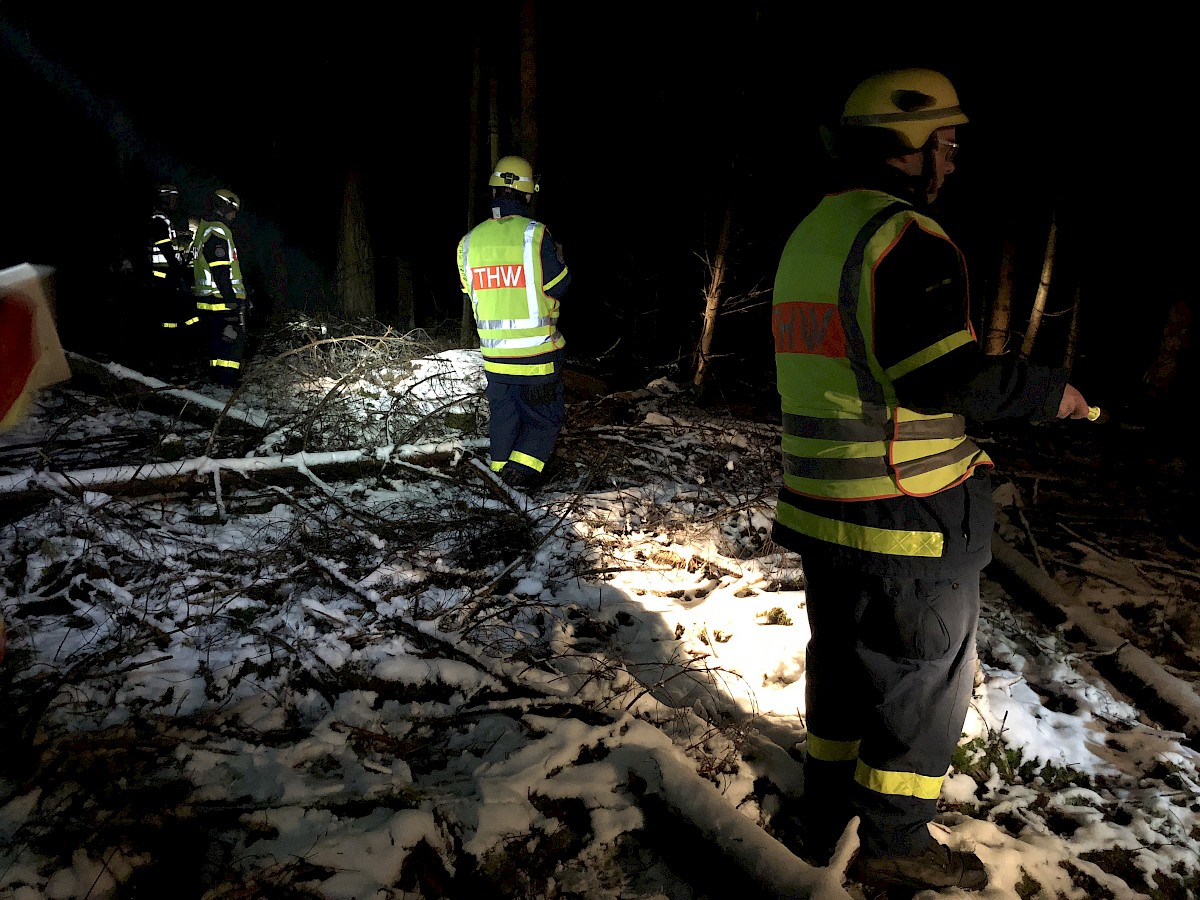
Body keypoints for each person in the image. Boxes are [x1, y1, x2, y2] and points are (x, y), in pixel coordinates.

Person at [769, 68, 1092, 892]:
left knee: (840, 662)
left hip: (821, 504)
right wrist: (1049, 392)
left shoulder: (814, 231)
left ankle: (825, 809)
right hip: (905, 508)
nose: (951, 162)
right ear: (907, 150)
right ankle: (896, 840)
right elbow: (942, 379)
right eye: (944, 145)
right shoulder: (905, 237)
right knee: (921, 678)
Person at [456, 155, 571, 489]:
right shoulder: (535, 236)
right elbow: (559, 286)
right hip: (537, 357)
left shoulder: (468, 243)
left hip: (495, 360)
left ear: (494, 193)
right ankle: (518, 477)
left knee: (504, 421)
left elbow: (472, 293)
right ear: (528, 194)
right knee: (544, 421)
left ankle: (500, 479)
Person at [191, 188, 247, 386]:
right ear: (223, 206)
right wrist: (232, 302)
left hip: (210, 301)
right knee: (232, 344)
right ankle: (227, 382)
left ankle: (217, 380)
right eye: (233, 210)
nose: (234, 215)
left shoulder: (203, 230)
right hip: (222, 302)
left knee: (217, 344)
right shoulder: (218, 230)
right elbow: (221, 270)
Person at [145, 183, 198, 372]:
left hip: (167, 277)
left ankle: (170, 357)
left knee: (173, 319)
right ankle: (164, 360)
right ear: (165, 199)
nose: (175, 201)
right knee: (168, 320)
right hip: (163, 278)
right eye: (172, 197)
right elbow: (167, 248)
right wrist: (180, 268)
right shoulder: (159, 219)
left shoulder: (165, 219)